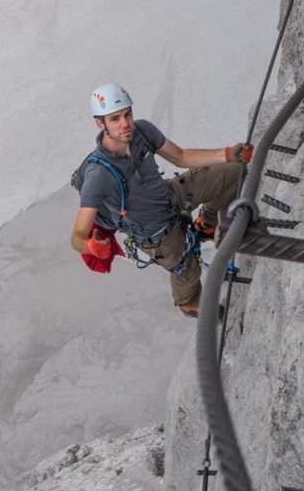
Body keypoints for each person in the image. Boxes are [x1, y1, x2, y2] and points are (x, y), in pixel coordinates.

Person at [70, 83, 253, 318]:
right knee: (187, 269)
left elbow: (181, 156)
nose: (125, 124)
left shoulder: (142, 132)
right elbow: (77, 235)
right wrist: (88, 246)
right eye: (114, 119)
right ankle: (188, 302)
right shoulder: (98, 175)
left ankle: (207, 223)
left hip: (170, 196)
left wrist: (227, 154)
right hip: (155, 232)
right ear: (100, 123)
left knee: (233, 172)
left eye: (127, 114)